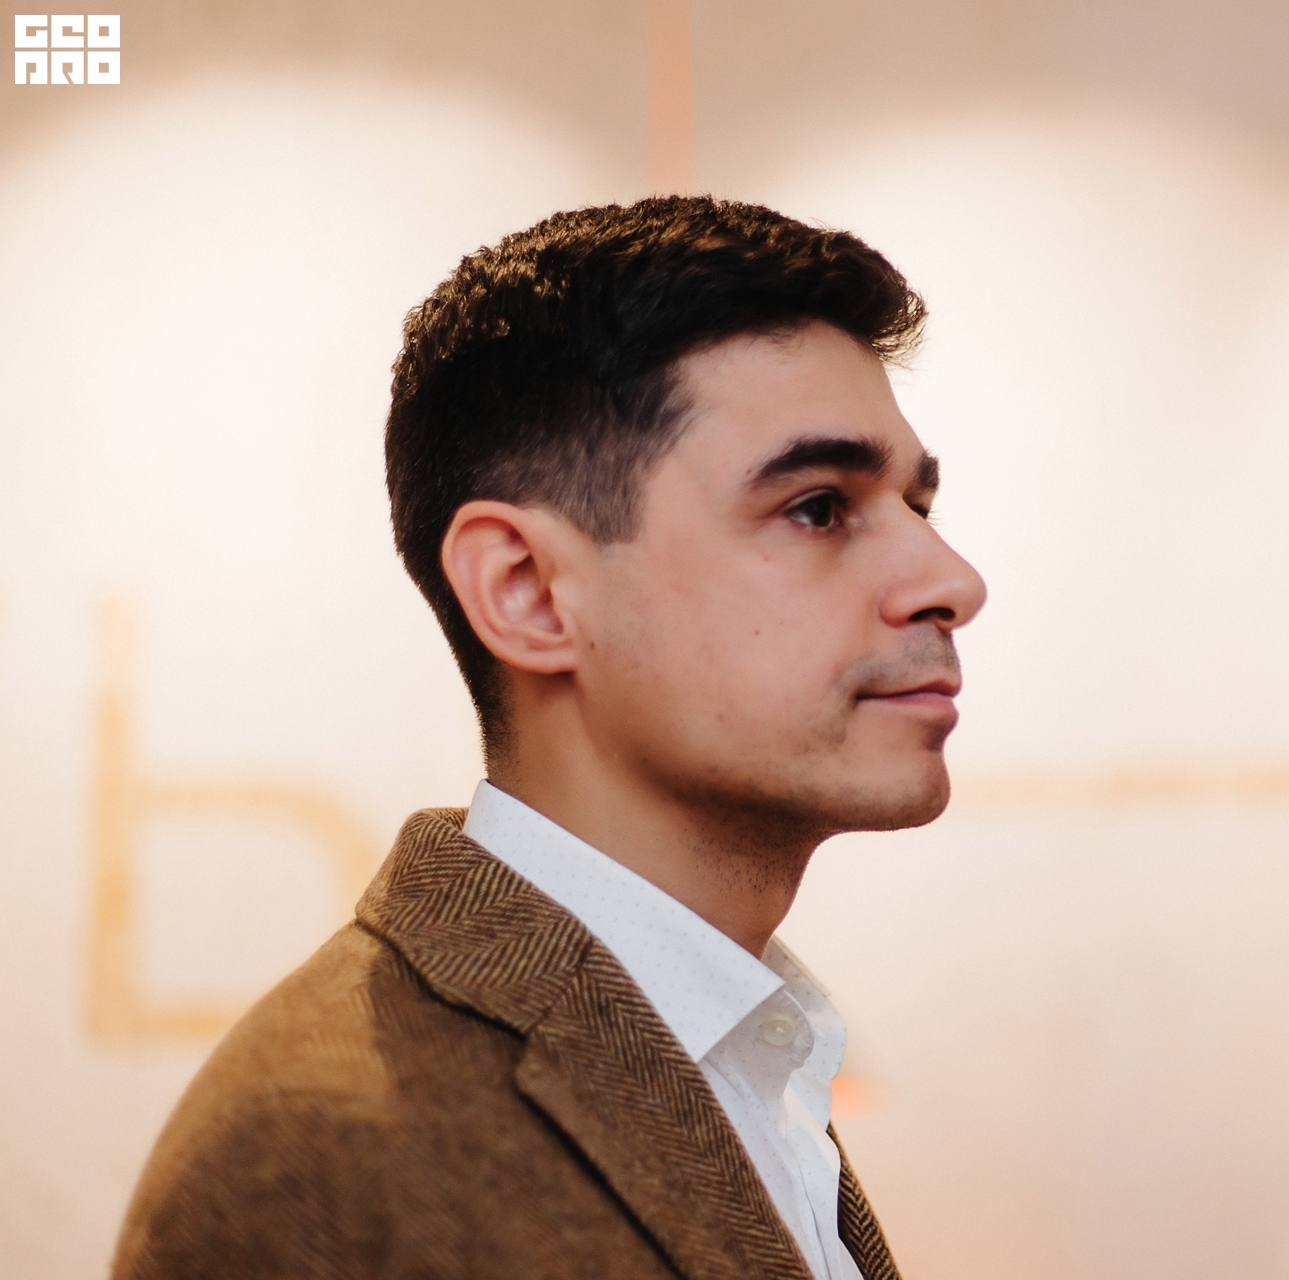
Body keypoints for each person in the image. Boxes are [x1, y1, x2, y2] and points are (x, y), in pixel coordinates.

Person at [111, 197, 988, 1280]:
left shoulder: (742, 1051)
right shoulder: (327, 1154)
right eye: (818, 507)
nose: (952, 580)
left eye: (917, 506)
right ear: (526, 590)